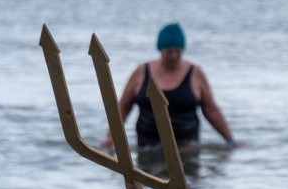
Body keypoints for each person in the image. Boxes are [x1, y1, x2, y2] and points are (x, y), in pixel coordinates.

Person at [101, 22, 237, 150]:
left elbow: (211, 110)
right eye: (169, 51)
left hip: (187, 149)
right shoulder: (141, 72)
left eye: (178, 51)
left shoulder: (195, 73)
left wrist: (230, 140)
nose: (173, 56)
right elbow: (123, 108)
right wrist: (110, 137)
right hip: (147, 147)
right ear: (161, 50)